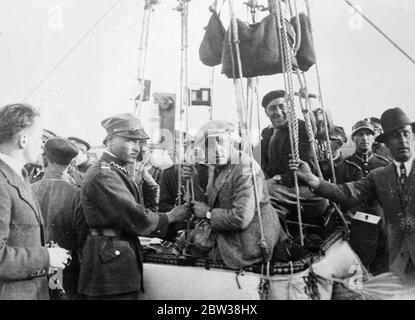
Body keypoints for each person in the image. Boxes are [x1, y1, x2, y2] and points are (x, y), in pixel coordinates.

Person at [291, 107, 415, 284]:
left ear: (413, 136)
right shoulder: (379, 176)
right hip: (394, 260)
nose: (402, 140)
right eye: (395, 136)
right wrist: (313, 180)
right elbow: (347, 193)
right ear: (386, 142)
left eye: (405, 133)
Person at [78, 113, 190, 300]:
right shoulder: (103, 174)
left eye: (139, 142)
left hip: (115, 259)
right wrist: (171, 217)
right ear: (111, 139)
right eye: (131, 141)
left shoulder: (117, 170)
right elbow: (134, 214)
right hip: (110, 266)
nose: (137, 148)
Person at [185, 120, 289, 269]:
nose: (217, 149)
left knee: (194, 252)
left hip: (251, 243)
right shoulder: (215, 167)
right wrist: (193, 181)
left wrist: (208, 214)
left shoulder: (245, 168)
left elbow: (240, 219)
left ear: (231, 142)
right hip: (232, 233)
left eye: (221, 142)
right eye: (210, 146)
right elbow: (209, 204)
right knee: (188, 244)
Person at [0, 103, 70, 300]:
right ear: (23, 140)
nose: (42, 145)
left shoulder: (18, 176)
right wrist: (46, 257)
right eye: (40, 138)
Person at [260, 90, 328, 236]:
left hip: (308, 191)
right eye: (272, 108)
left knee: (264, 192)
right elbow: (264, 165)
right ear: (266, 113)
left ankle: (282, 241)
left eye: (281, 106)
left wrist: (275, 180)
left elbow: (303, 171)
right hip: (280, 191)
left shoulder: (303, 129)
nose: (277, 112)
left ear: (290, 107)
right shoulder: (267, 134)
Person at [32, 137, 88, 299]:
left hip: (34, 270)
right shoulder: (78, 195)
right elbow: (84, 239)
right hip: (67, 273)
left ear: (44, 160)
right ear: (71, 164)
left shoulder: (28, 190)